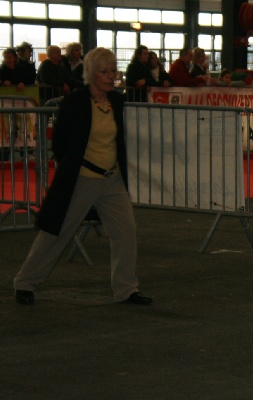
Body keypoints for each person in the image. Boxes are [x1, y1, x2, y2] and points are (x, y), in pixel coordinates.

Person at [13, 47, 152, 306]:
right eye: (104, 72)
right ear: (90, 74)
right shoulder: (75, 102)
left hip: (112, 180)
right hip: (82, 178)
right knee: (57, 232)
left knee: (126, 232)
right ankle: (25, 283)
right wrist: (76, 167)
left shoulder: (117, 101)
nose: (111, 76)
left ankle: (126, 290)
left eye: (113, 71)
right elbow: (62, 143)